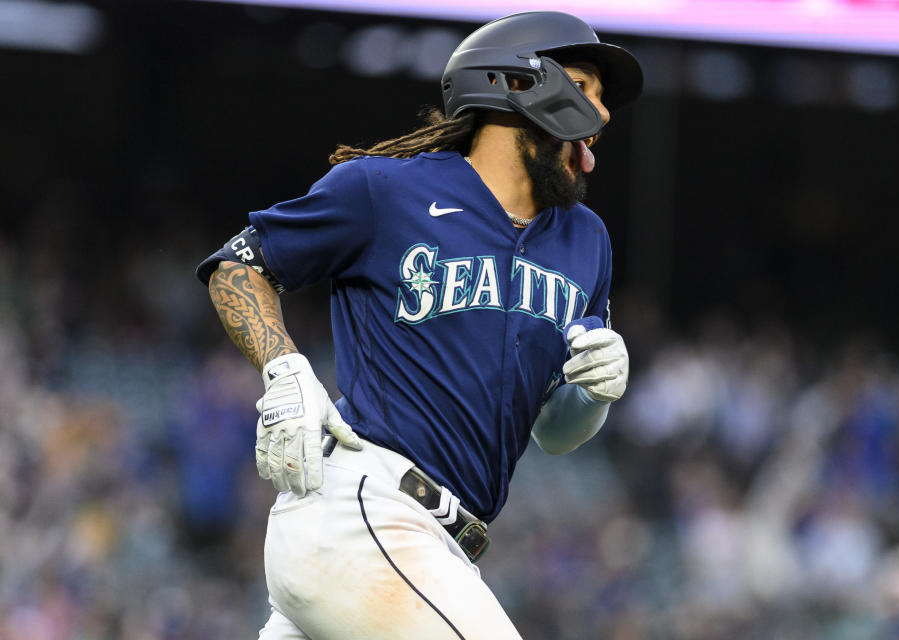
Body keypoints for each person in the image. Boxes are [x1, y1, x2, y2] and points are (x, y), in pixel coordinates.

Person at [196, 10, 641, 639]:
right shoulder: (386, 189)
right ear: (516, 84)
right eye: (584, 84)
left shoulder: (585, 241)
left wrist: (593, 395)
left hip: (437, 548)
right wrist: (284, 368)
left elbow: (556, 433)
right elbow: (237, 268)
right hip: (362, 512)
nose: (601, 112)